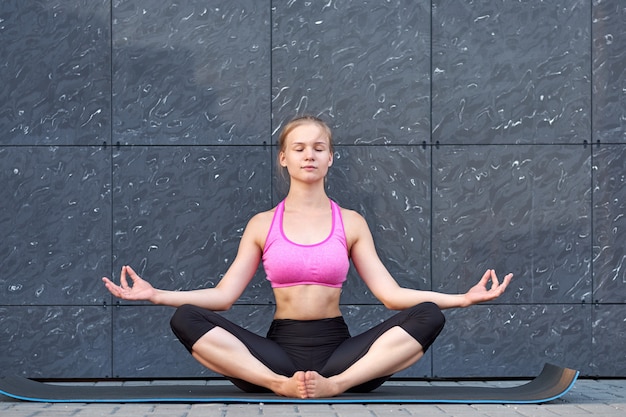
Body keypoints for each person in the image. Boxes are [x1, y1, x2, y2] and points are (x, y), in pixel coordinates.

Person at [103, 115, 513, 399]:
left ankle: (337, 385)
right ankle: (278, 385)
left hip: (341, 356)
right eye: (298, 148)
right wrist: (156, 295)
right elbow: (224, 295)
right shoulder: (262, 224)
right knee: (186, 318)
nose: (309, 155)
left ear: (331, 157)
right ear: (284, 158)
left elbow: (390, 294)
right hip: (276, 357)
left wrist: (463, 299)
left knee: (428, 315)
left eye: (319, 147)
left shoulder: (350, 222)